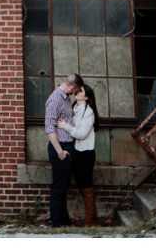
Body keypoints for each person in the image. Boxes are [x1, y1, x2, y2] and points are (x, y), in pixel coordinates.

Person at [44, 73, 83, 227]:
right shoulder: (54, 100)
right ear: (72, 87)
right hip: (59, 147)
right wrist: (60, 151)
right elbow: (49, 128)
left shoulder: (65, 98)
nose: (76, 93)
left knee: (64, 184)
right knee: (59, 186)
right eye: (76, 90)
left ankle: (64, 220)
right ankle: (56, 222)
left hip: (68, 146)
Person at [57, 83, 99, 226]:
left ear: (86, 96)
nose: (76, 92)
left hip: (86, 154)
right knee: (81, 185)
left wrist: (65, 126)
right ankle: (92, 218)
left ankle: (89, 222)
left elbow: (81, 134)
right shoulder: (75, 108)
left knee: (86, 185)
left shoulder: (89, 113)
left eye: (80, 91)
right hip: (75, 151)